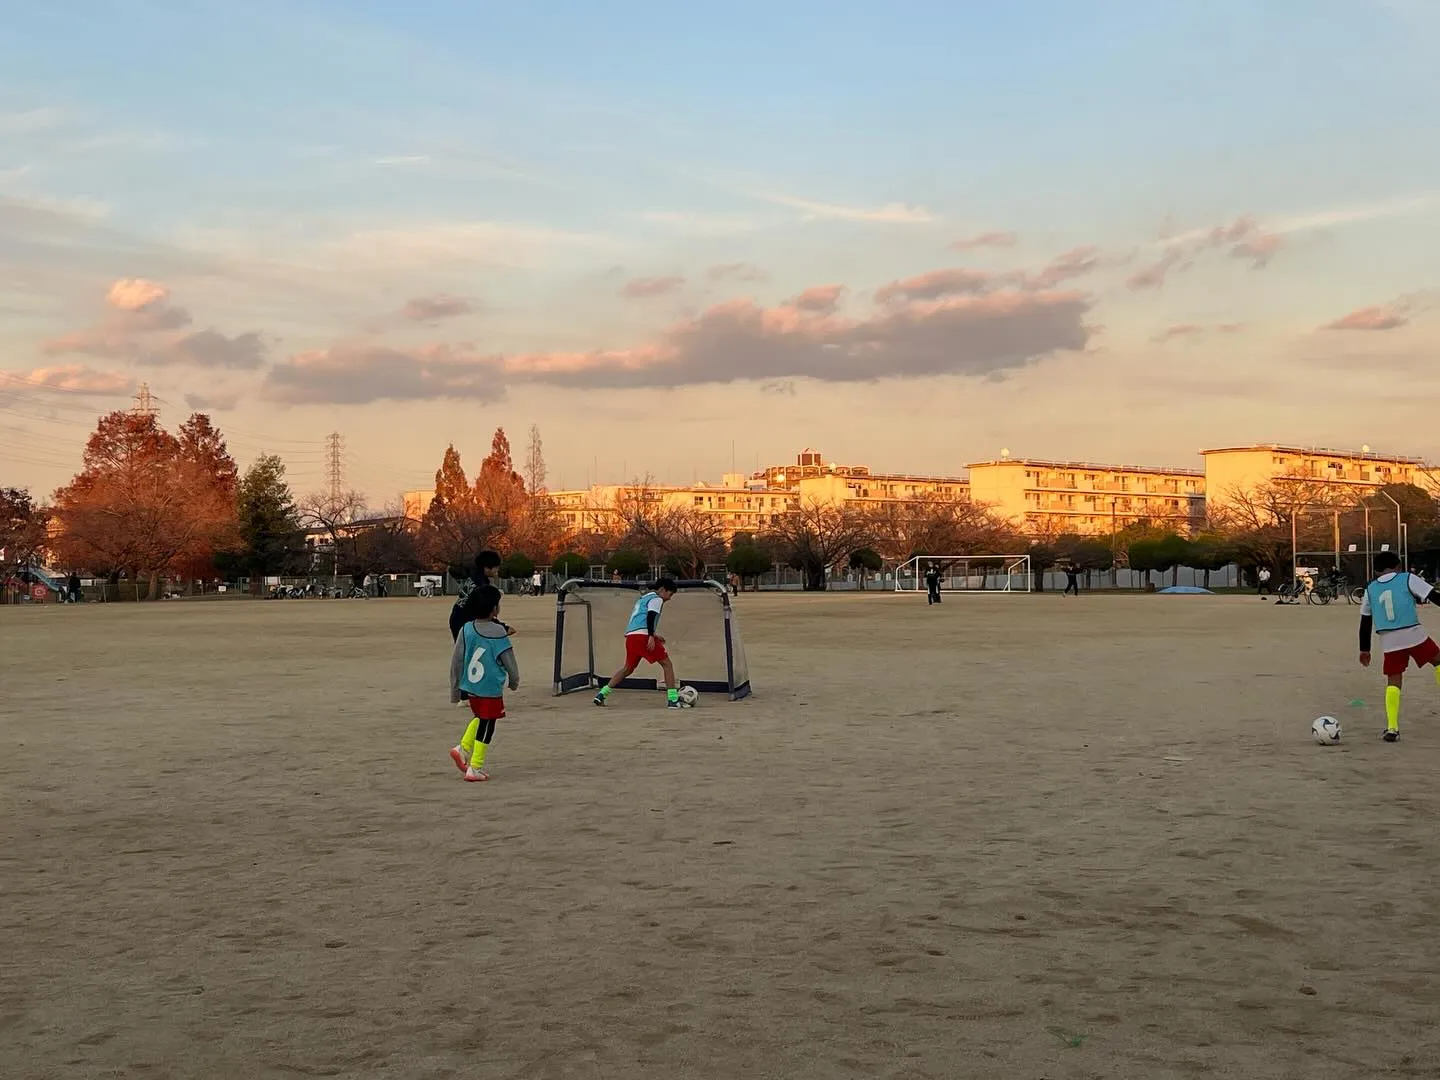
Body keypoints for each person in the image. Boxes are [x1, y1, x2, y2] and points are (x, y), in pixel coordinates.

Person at [1359, 551, 1440, 742]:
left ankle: (1392, 727)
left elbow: (1365, 621)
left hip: (1389, 641)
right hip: (1413, 634)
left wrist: (1365, 649)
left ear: (1377, 571)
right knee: (1438, 661)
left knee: (1393, 681)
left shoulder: (1370, 589)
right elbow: (1434, 597)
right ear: (1397, 566)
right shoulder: (1407, 578)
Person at [447, 585, 519, 782]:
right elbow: (509, 661)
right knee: (488, 725)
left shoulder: (466, 629)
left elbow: (457, 661)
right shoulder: (498, 632)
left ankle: (462, 748)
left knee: (480, 717)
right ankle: (475, 766)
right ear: (494, 609)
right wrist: (514, 681)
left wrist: (455, 690)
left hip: (471, 687)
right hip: (490, 688)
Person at [593, 578, 688, 709]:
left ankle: (601, 694)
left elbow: (639, 620)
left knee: (627, 668)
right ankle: (673, 700)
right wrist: (650, 636)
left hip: (631, 637)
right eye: (670, 594)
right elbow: (650, 616)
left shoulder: (643, 598)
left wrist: (654, 635)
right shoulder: (657, 599)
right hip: (643, 637)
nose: (669, 598)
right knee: (667, 664)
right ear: (662, 590)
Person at [449, 551, 513, 642]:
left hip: (458, 617)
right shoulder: (480, 585)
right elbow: (483, 611)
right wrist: (502, 627)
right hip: (465, 621)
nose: (497, 570)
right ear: (487, 568)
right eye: (496, 567)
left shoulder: (475, 577)